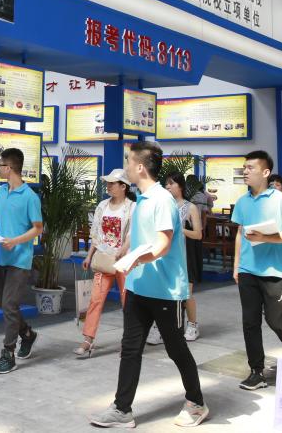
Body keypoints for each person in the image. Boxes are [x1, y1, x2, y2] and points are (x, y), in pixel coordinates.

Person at [90, 141, 208, 428]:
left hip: (165, 290)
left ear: (140, 167)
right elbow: (140, 235)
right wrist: (125, 249)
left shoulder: (162, 199)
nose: (126, 167)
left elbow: (163, 244)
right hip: (138, 287)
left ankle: (196, 402)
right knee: (130, 348)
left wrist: (135, 260)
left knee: (175, 348)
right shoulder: (142, 199)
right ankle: (122, 409)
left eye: (128, 162)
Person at [230, 149, 282, 391]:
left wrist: (265, 237)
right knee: (250, 322)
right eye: (244, 168)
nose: (245, 171)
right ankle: (256, 371)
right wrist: (236, 265)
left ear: (265, 172)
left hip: (275, 271)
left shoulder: (281, 200)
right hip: (248, 269)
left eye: (250, 168)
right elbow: (240, 234)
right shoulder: (243, 201)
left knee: (277, 321)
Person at [0, 148, 42, 375]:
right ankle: (27, 334)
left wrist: (16, 241)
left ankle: (8, 353)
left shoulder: (30, 197)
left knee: (9, 305)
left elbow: (38, 228)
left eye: (0, 164)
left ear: (9, 167)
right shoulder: (2, 191)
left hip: (20, 260)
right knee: (7, 305)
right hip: (0, 257)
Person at [77, 168, 134, 358]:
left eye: (112, 183)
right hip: (103, 259)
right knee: (96, 299)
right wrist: (89, 256)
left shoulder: (132, 207)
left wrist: (122, 250)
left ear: (123, 186)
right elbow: (96, 234)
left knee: (128, 302)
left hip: (124, 261)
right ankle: (88, 339)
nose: (108, 186)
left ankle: (129, 340)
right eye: (107, 183)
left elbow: (132, 234)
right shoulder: (102, 206)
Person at [164, 172, 203, 343]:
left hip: (185, 256)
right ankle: (164, 327)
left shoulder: (190, 207)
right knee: (166, 294)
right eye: (166, 184)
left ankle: (192, 325)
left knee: (186, 293)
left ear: (180, 186)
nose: (167, 186)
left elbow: (198, 234)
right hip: (166, 255)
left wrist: (180, 229)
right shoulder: (164, 206)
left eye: (171, 183)